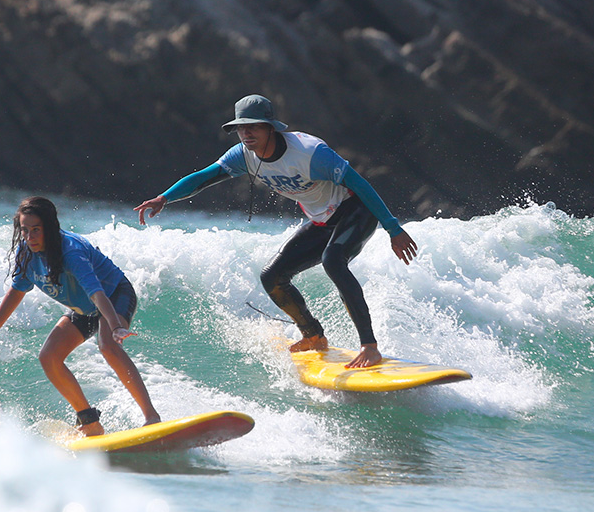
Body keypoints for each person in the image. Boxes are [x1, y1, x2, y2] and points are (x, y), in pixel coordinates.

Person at [134, 94, 417, 369]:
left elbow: (361, 185)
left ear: (271, 127)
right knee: (272, 276)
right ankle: (313, 336)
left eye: (253, 126)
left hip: (356, 209)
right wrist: (164, 198)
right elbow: (205, 177)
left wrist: (393, 228)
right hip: (322, 219)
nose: (246, 133)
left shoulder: (310, 154)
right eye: (240, 128)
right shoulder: (243, 156)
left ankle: (369, 346)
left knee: (333, 260)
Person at [0, 196, 160, 436]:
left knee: (108, 345)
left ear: (49, 227)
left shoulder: (71, 252)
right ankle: (90, 422)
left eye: (36, 230)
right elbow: (18, 290)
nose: (30, 237)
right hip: (84, 308)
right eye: (25, 230)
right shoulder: (26, 253)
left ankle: (152, 417)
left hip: (113, 293)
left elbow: (97, 293)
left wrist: (115, 325)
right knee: (49, 356)